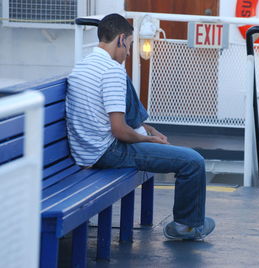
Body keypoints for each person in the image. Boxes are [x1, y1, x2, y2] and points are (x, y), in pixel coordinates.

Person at [66, 13, 215, 240]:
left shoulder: (83, 66)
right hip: (106, 152)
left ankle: (143, 127)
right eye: (130, 45)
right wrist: (149, 140)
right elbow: (118, 130)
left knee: (127, 88)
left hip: (87, 150)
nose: (128, 52)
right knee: (193, 161)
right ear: (121, 39)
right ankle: (188, 226)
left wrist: (147, 131)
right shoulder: (112, 71)